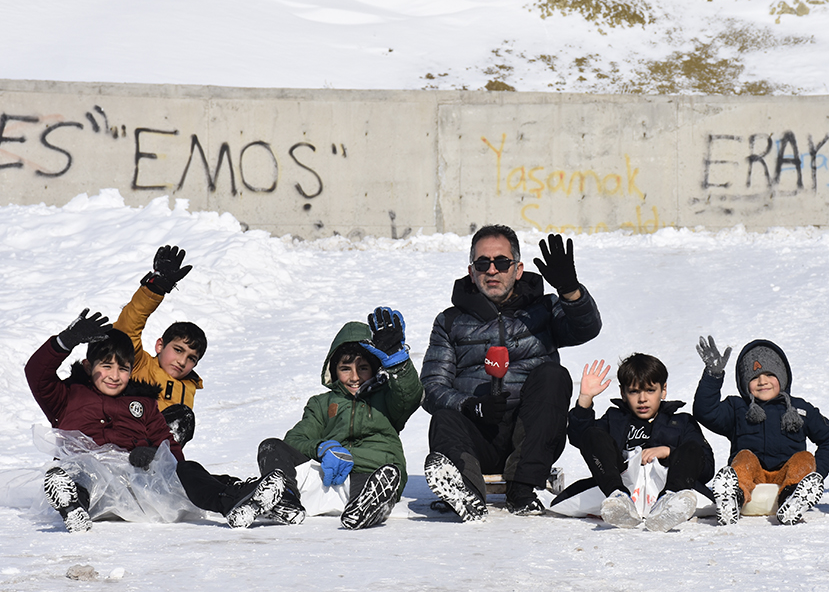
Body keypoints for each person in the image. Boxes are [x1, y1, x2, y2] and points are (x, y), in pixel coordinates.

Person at [421, 226, 602, 520]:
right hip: (477, 438)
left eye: (502, 262)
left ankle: (522, 490)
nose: (492, 270)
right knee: (443, 418)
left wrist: (571, 291)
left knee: (553, 375)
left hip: (532, 437)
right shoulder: (450, 321)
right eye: (483, 263)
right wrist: (471, 406)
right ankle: (466, 492)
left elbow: (587, 328)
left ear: (517, 269)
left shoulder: (545, 309)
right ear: (471, 271)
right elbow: (431, 388)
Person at [27, 309, 200, 532]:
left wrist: (158, 456)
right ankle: (73, 506)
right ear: (88, 366)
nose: (114, 376)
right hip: (85, 475)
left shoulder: (140, 402)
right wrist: (64, 341)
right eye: (106, 366)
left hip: (130, 482)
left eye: (123, 369)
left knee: (187, 457)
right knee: (79, 473)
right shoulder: (68, 396)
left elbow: (165, 441)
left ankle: (233, 495)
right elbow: (36, 374)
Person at [252, 308, 424, 530]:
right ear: (334, 371)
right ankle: (285, 500)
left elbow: (410, 395)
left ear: (375, 368)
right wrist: (322, 448)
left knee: (378, 477)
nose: (354, 377)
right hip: (330, 476)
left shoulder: (388, 398)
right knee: (271, 447)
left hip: (374, 472)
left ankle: (367, 506)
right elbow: (295, 440)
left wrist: (397, 363)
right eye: (345, 369)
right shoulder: (321, 403)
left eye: (363, 368)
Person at [559, 353, 715, 532]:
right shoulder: (614, 419)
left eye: (650, 390)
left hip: (671, 485)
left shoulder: (682, 422)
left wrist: (669, 452)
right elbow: (581, 439)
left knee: (693, 448)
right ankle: (618, 499)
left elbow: (706, 467)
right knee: (593, 434)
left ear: (663, 390)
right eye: (634, 391)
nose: (642, 399)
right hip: (620, 485)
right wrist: (585, 400)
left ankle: (668, 503)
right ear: (623, 393)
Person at [694, 337, 829, 526]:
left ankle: (796, 498)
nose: (762, 381)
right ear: (745, 382)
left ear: (782, 376)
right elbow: (705, 412)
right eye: (754, 377)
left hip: (786, 482)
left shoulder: (800, 409)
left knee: (803, 458)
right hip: (752, 485)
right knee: (744, 457)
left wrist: (815, 474)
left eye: (770, 375)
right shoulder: (737, 408)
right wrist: (713, 376)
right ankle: (733, 498)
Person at [113, 245, 207, 446]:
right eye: (178, 350)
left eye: (191, 358)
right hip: (124, 444)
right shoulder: (140, 365)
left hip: (160, 455)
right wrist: (155, 287)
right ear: (160, 346)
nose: (182, 361)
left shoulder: (188, 387)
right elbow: (126, 330)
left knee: (183, 417)